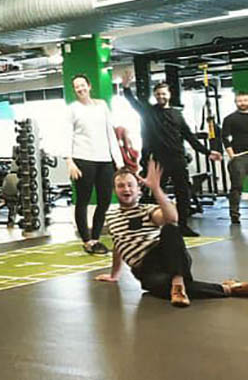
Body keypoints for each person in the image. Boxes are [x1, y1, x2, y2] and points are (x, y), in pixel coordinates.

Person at [95, 162, 248, 307]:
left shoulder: (147, 209)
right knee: (162, 289)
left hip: (166, 256)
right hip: (145, 270)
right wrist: (114, 275)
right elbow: (118, 244)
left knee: (171, 228)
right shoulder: (111, 216)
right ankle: (229, 289)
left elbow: (172, 218)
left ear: (138, 189)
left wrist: (156, 189)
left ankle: (178, 282)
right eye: (121, 186)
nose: (126, 189)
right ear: (115, 190)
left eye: (130, 185)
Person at [121, 71, 221, 236]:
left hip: (177, 159)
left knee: (184, 193)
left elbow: (189, 137)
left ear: (169, 95)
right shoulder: (148, 112)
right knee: (154, 194)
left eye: (163, 93)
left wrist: (207, 152)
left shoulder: (177, 114)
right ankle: (150, 225)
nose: (161, 96)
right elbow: (133, 103)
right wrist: (126, 87)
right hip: (158, 161)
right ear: (155, 95)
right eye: (158, 94)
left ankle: (182, 226)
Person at [64, 74, 124, 255]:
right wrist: (69, 161)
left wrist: (119, 162)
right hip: (82, 158)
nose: (80, 89)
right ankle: (87, 240)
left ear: (89, 86)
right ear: (74, 90)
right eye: (76, 87)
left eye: (83, 85)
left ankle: (96, 238)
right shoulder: (72, 109)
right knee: (83, 200)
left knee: (105, 200)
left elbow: (110, 134)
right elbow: (66, 134)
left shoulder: (102, 106)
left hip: (104, 159)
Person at [220, 90, 248, 225]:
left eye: (245, 100)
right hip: (239, 157)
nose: (242, 103)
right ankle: (234, 215)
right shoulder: (230, 119)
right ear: (235, 102)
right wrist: (232, 155)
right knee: (237, 186)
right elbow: (225, 138)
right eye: (239, 101)